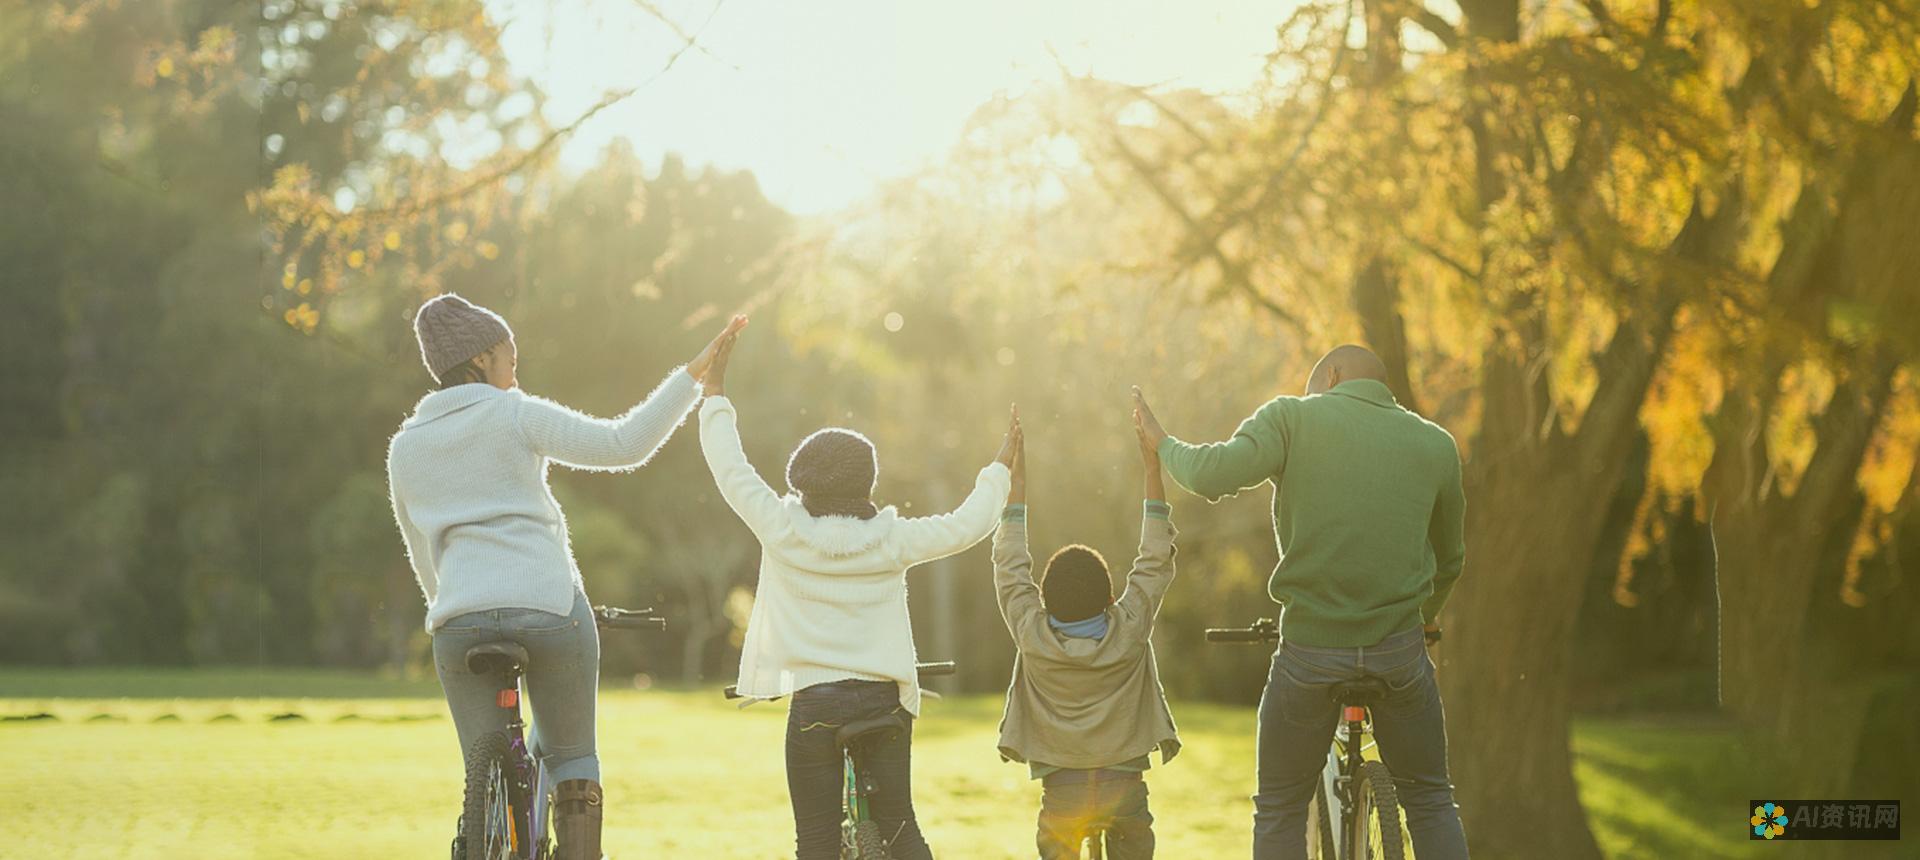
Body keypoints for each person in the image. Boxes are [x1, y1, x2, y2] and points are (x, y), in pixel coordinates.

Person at [385, 293, 744, 860]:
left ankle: (482, 830)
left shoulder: (405, 447)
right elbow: (623, 443)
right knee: (571, 755)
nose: (514, 363)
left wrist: (456, 605)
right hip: (547, 606)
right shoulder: (514, 412)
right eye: (508, 351)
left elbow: (421, 552)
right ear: (481, 359)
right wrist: (693, 377)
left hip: (457, 619)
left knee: (479, 772)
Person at [1133, 345, 1471, 860]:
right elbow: (1450, 560)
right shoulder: (1436, 444)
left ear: (1331, 375)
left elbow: (1209, 475)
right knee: (1429, 799)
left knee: (1280, 807)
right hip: (1398, 651)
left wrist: (1163, 443)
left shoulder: (1292, 416)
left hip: (1310, 650)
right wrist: (1421, 621)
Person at [695, 333, 1018, 860]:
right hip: (881, 699)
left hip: (816, 704)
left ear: (800, 483)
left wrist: (715, 394)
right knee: (900, 830)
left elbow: (730, 469)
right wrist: (1000, 467)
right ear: (868, 483)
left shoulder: (780, 526)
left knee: (818, 843)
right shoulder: (892, 539)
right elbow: (967, 525)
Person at [991, 403, 1181, 859]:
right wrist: (1153, 469)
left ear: (1044, 598)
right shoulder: (1130, 626)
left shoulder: (1031, 632)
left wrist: (1015, 484)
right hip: (1124, 785)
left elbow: (1010, 565)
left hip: (1063, 787)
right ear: (1111, 599)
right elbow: (1155, 557)